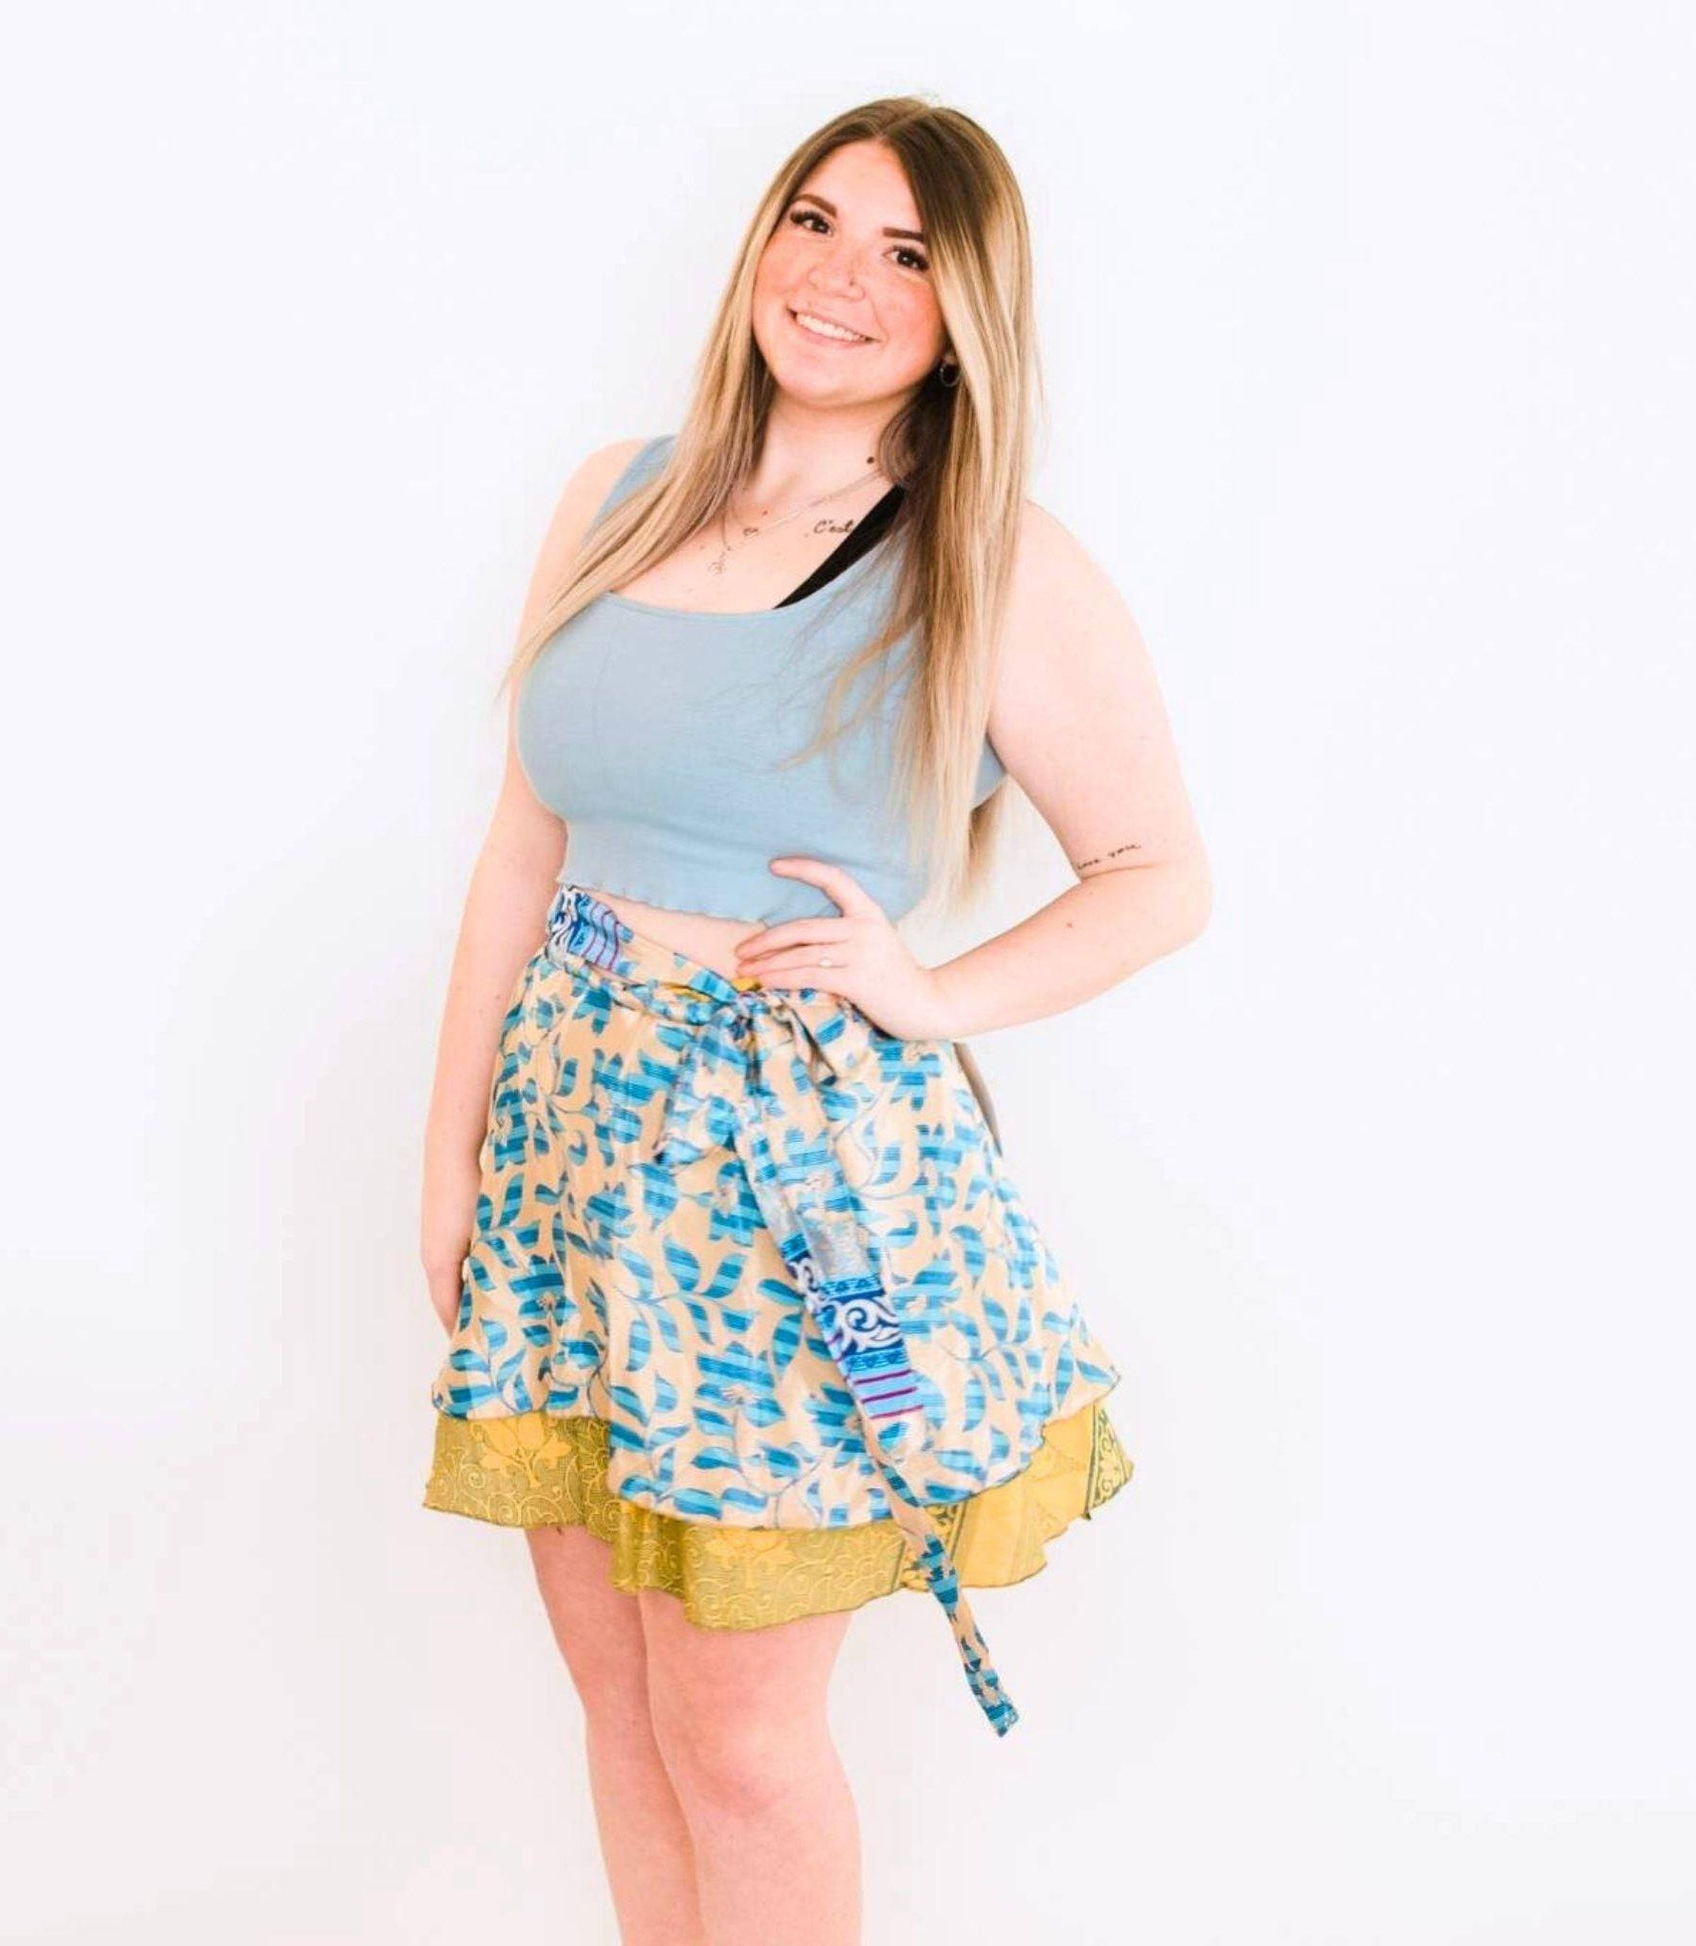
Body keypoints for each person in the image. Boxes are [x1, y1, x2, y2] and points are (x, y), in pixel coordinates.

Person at [418, 95, 1212, 1946]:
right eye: (814, 220)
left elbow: (1157, 873)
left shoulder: (985, 555)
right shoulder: (619, 492)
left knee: (741, 1732)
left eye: (906, 252)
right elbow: (522, 843)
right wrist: (448, 1160)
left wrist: (933, 994)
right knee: (617, 1689)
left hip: (788, 1187)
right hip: (567, 1151)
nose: (841, 277)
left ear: (964, 313)